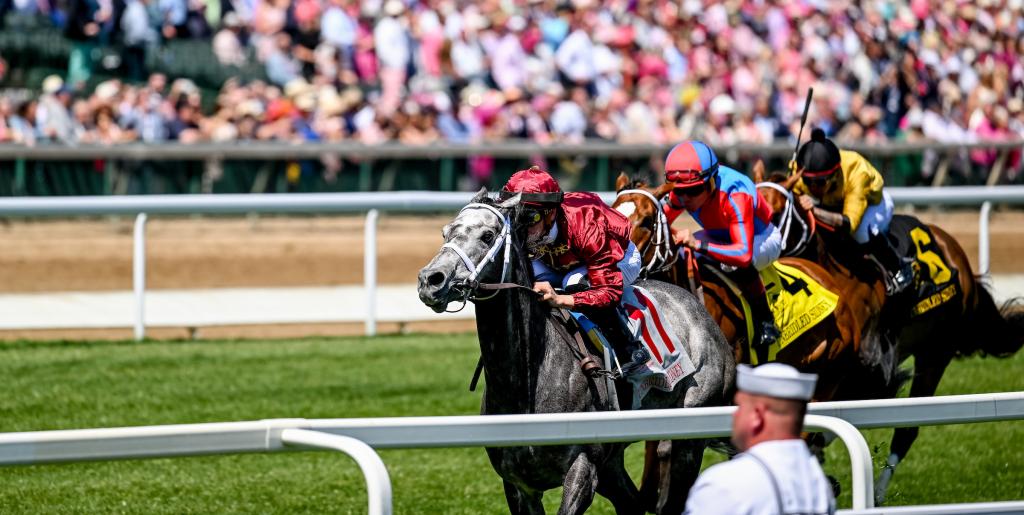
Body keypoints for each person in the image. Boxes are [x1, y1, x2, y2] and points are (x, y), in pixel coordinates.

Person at [500, 166, 648, 375]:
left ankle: (630, 349)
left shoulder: (586, 224)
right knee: (523, 278)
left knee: (573, 283)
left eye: (529, 218)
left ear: (550, 213)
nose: (519, 227)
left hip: (619, 257)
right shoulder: (532, 226)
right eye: (514, 216)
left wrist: (562, 300)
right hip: (558, 258)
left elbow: (608, 291)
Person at [662, 140, 783, 358]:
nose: (686, 199)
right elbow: (660, 221)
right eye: (680, 192)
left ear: (710, 182)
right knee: (678, 253)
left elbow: (743, 254)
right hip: (720, 234)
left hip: (760, 237)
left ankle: (765, 321)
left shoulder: (736, 195)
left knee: (730, 262)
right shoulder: (683, 190)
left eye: (694, 191)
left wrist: (698, 244)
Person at [684, 363, 836, 515]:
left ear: (757, 416)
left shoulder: (723, 485)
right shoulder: (820, 486)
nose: (735, 414)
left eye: (739, 406)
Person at [793, 128, 913, 296]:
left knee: (861, 233)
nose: (812, 187)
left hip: (872, 203)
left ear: (834, 174)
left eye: (819, 182)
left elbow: (849, 223)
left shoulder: (857, 172)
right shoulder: (799, 170)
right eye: (807, 181)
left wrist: (815, 211)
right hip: (832, 202)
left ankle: (898, 268)